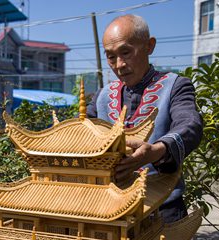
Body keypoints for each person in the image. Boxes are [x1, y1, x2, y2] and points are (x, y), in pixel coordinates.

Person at [87, 14, 203, 223]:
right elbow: (80, 132)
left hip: (162, 208)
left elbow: (190, 125)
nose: (119, 64)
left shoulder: (175, 86)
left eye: (126, 52)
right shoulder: (102, 96)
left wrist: (156, 152)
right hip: (110, 209)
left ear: (149, 46)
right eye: (111, 56)